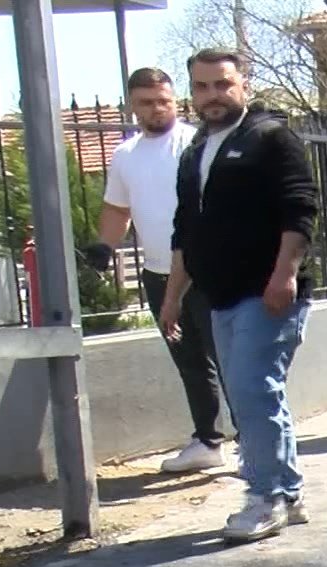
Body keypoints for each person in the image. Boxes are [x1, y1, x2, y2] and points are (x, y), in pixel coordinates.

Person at [161, 48, 319, 543]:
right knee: (254, 395)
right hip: (220, 295)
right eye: (202, 86)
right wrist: (172, 297)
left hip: (266, 292)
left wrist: (284, 275)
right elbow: (185, 229)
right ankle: (286, 493)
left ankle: (265, 497)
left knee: (252, 392)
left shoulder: (271, 138)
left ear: (243, 85)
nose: (213, 95)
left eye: (222, 84)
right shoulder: (196, 151)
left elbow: (300, 210)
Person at [96, 67, 227, 475]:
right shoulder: (125, 155)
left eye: (163, 101)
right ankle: (207, 441)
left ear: (175, 100)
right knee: (189, 361)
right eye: (146, 102)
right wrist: (104, 246)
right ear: (132, 106)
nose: (156, 109)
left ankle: (253, 442)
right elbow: (118, 209)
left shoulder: (196, 143)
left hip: (206, 270)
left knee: (228, 357)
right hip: (157, 273)